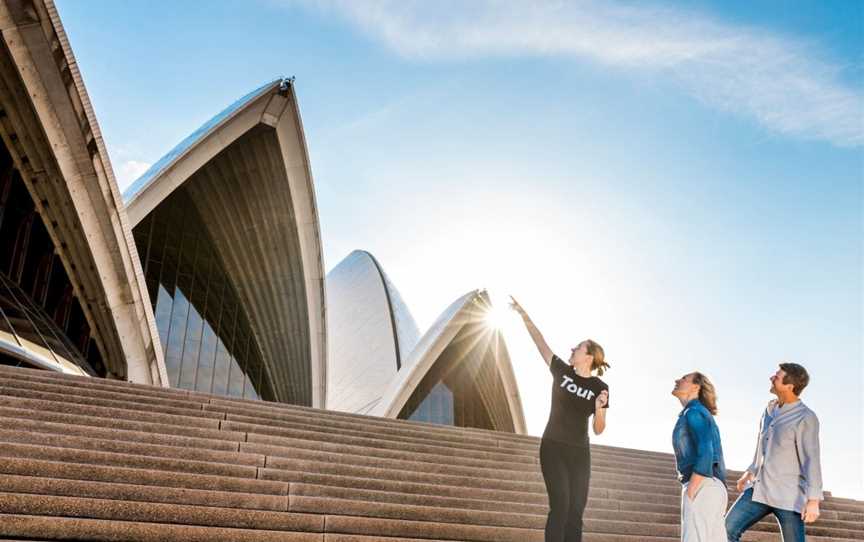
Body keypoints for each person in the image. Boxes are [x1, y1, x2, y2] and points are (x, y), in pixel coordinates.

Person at [510, 296, 609, 542]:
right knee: (561, 505)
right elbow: (540, 342)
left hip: (579, 452)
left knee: (576, 512)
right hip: (553, 447)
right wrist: (524, 315)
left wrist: (599, 408)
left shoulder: (600, 387)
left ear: (588, 357)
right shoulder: (562, 372)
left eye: (577, 348)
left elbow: (599, 429)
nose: (571, 350)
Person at [725, 363, 823, 542]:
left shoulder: (805, 417)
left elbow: (811, 459)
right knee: (725, 530)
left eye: (777, 377)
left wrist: (813, 500)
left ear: (789, 386)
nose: (771, 378)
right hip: (759, 490)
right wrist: (750, 471)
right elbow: (761, 446)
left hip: (789, 497)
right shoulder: (769, 410)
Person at [671, 372, 728, 541]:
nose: (677, 380)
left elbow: (706, 448)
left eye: (684, 378)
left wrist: (692, 489)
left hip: (702, 484)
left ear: (696, 386)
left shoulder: (694, 412)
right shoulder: (697, 412)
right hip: (712, 486)